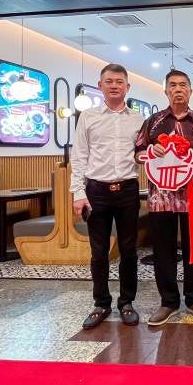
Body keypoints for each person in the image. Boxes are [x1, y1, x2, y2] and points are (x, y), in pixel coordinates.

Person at [135, 69, 193, 326]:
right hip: (161, 195)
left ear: (190, 90)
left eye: (183, 85)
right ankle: (168, 301)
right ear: (166, 90)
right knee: (163, 248)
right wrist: (150, 149)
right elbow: (137, 152)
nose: (178, 89)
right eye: (173, 85)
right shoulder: (153, 121)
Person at [71, 64, 145, 329]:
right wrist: (78, 193)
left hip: (127, 189)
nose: (115, 85)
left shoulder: (138, 120)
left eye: (120, 82)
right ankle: (101, 303)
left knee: (128, 250)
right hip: (96, 191)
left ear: (127, 87)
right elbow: (78, 157)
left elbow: (143, 154)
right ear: (100, 85)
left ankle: (127, 303)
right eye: (109, 81)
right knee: (99, 252)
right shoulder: (88, 117)